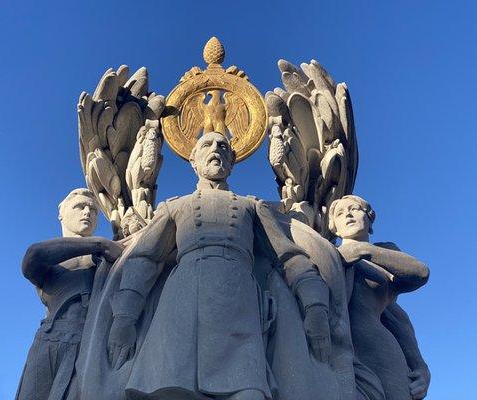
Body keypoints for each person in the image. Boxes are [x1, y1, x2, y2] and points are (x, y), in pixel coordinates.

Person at [106, 132, 329, 400]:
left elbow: (290, 257)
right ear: (193, 160)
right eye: (207, 145)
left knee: (249, 392)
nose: (216, 149)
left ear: (232, 161)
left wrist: (315, 307)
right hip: (181, 307)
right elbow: (144, 258)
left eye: (223, 146)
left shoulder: (251, 206)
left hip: (238, 306)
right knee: (171, 391)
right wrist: (125, 317)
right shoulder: (176, 206)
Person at [16, 188, 124, 400]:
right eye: (80, 207)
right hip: (55, 339)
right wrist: (99, 244)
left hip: (95, 341)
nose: (87, 212)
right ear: (62, 214)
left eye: (93, 209)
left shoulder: (108, 256)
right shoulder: (53, 256)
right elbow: (32, 257)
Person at [328, 195, 430, 400]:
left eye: (355, 209)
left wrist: (420, 365)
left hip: (377, 351)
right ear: (334, 228)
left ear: (370, 221)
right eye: (340, 213)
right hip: (330, 347)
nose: (347, 214)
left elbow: (419, 274)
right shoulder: (327, 253)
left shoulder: (383, 254)